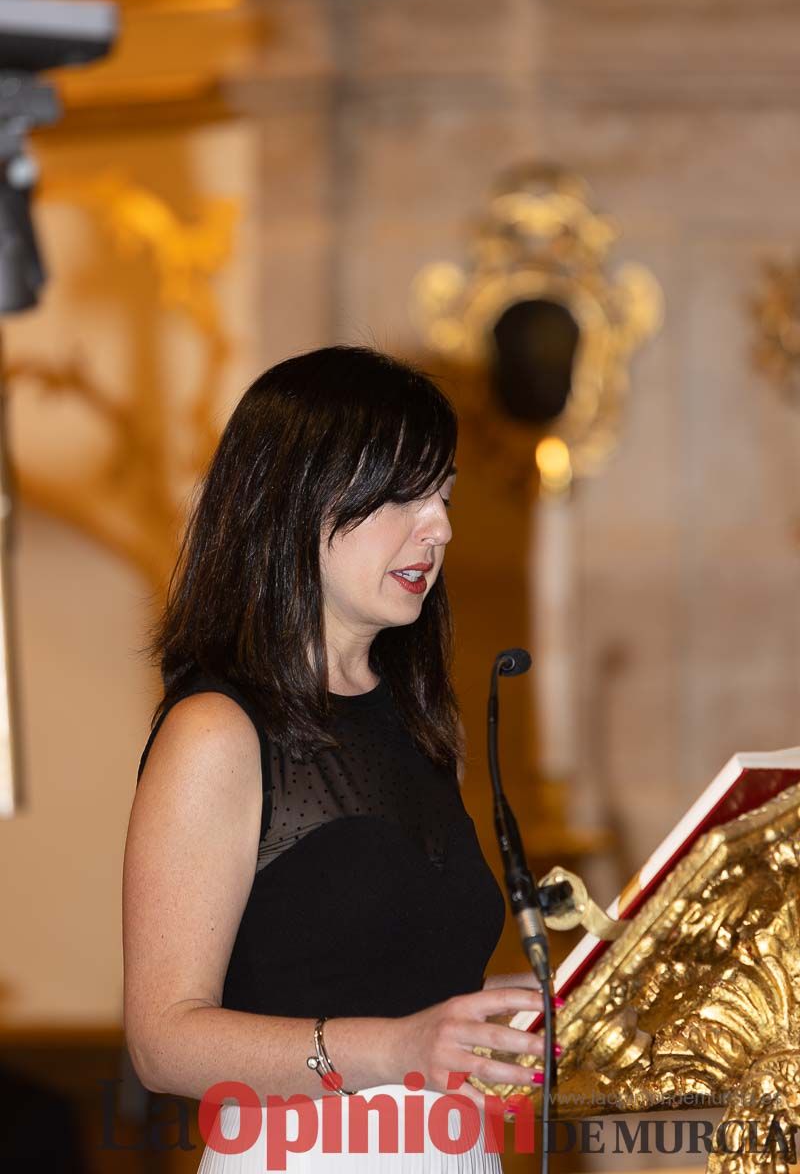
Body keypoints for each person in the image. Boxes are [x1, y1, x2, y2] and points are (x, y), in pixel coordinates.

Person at [122, 345, 547, 1171]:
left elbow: (396, 988)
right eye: (403, 497)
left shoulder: (426, 722)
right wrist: (395, 1049)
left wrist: (490, 1016)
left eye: (444, 494)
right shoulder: (216, 732)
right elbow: (162, 1041)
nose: (441, 527)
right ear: (294, 500)